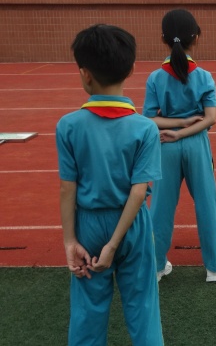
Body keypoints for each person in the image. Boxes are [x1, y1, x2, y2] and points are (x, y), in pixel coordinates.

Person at [57, 24, 163, 345]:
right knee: (143, 308)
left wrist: (70, 241)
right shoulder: (145, 128)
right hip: (132, 224)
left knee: (87, 312)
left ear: (85, 74)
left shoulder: (68, 126)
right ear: (131, 69)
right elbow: (138, 192)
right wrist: (114, 243)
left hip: (88, 224)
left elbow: (67, 188)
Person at [143, 9, 216, 282]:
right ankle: (214, 268)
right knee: (207, 204)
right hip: (196, 145)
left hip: (165, 144)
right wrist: (185, 131)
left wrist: (176, 128)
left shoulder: (155, 78)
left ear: (163, 39)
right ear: (197, 37)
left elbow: (149, 119)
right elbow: (211, 118)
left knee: (160, 208)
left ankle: (156, 266)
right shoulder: (204, 76)